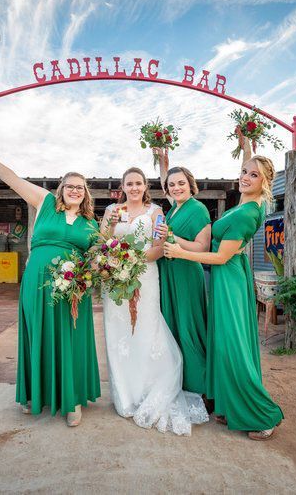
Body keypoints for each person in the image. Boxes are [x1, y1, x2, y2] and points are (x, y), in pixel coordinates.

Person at [0, 143, 100, 427]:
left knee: (71, 336)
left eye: (80, 187)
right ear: (61, 189)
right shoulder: (45, 203)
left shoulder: (91, 225)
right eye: (70, 186)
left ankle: (72, 400)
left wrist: (92, 274)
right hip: (38, 280)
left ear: (86, 193)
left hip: (73, 287)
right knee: (37, 332)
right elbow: (10, 177)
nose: (75, 191)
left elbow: (95, 258)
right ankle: (36, 393)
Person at [163, 132, 284, 441]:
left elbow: (220, 256)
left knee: (233, 347)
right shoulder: (243, 204)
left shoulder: (248, 212)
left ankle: (262, 415)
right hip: (225, 279)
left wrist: (180, 252)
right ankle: (230, 406)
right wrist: (246, 147)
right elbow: (250, 170)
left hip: (228, 279)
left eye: (253, 175)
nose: (245, 177)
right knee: (222, 344)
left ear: (264, 182)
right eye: (244, 171)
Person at [101, 167, 208, 436]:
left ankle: (151, 386)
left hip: (145, 276)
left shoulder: (156, 211)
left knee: (147, 330)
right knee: (119, 334)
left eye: (139, 183)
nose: (134, 188)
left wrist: (134, 262)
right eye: (129, 184)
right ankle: (125, 393)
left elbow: (161, 246)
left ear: (145, 186)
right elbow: (103, 241)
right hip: (115, 278)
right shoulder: (112, 210)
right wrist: (112, 228)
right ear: (122, 186)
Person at [153, 147, 211, 397]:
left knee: (189, 328)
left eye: (181, 183)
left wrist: (173, 237)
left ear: (191, 185)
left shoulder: (197, 209)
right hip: (168, 273)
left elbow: (203, 247)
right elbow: (167, 180)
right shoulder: (174, 208)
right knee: (172, 326)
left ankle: (202, 387)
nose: (176, 188)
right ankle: (182, 381)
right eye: (172, 185)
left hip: (187, 272)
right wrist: (163, 162)